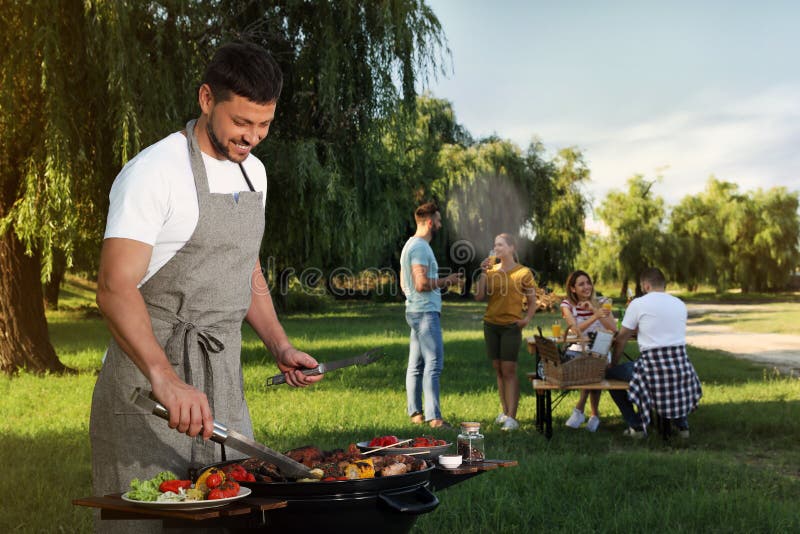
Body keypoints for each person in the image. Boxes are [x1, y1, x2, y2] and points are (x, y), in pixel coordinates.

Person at [90, 42, 322, 533]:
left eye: (264, 125)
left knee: (232, 519)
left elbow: (246, 264)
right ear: (205, 99)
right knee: (145, 523)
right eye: (242, 123)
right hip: (148, 389)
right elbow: (113, 287)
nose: (253, 137)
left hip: (223, 388)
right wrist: (165, 377)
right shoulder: (154, 172)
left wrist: (278, 343)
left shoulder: (253, 172)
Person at [610, 267, 703, 438]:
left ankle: (636, 425)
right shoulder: (680, 304)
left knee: (610, 376)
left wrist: (613, 363)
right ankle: (682, 426)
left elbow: (621, 339)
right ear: (664, 285)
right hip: (681, 368)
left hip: (652, 370)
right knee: (670, 380)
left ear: (645, 286)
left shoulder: (638, 304)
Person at [399, 202, 463, 428]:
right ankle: (434, 418)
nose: (440, 223)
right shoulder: (420, 248)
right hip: (425, 313)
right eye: (438, 220)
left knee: (415, 365)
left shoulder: (410, 245)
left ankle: (415, 413)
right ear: (429, 222)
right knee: (433, 364)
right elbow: (421, 283)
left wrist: (413, 301)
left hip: (416, 311)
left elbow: (403, 283)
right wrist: (448, 281)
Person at [474, 233, 537, 431]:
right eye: (495, 245)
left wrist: (526, 319)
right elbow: (479, 296)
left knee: (509, 370)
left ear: (512, 248)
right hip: (491, 325)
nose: (497, 248)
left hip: (511, 326)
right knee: (499, 369)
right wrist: (483, 272)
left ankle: (512, 417)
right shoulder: (491, 269)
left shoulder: (523, 272)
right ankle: (504, 411)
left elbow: (533, 300)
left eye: (501, 245)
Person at [560, 270, 618, 432]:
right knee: (593, 366)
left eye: (588, 283)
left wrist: (594, 309)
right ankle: (594, 414)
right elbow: (575, 330)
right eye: (581, 284)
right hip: (579, 351)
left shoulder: (603, 302)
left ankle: (580, 410)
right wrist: (595, 316)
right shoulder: (567, 305)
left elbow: (613, 328)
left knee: (595, 362)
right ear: (573, 289)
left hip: (600, 352)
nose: (587, 287)